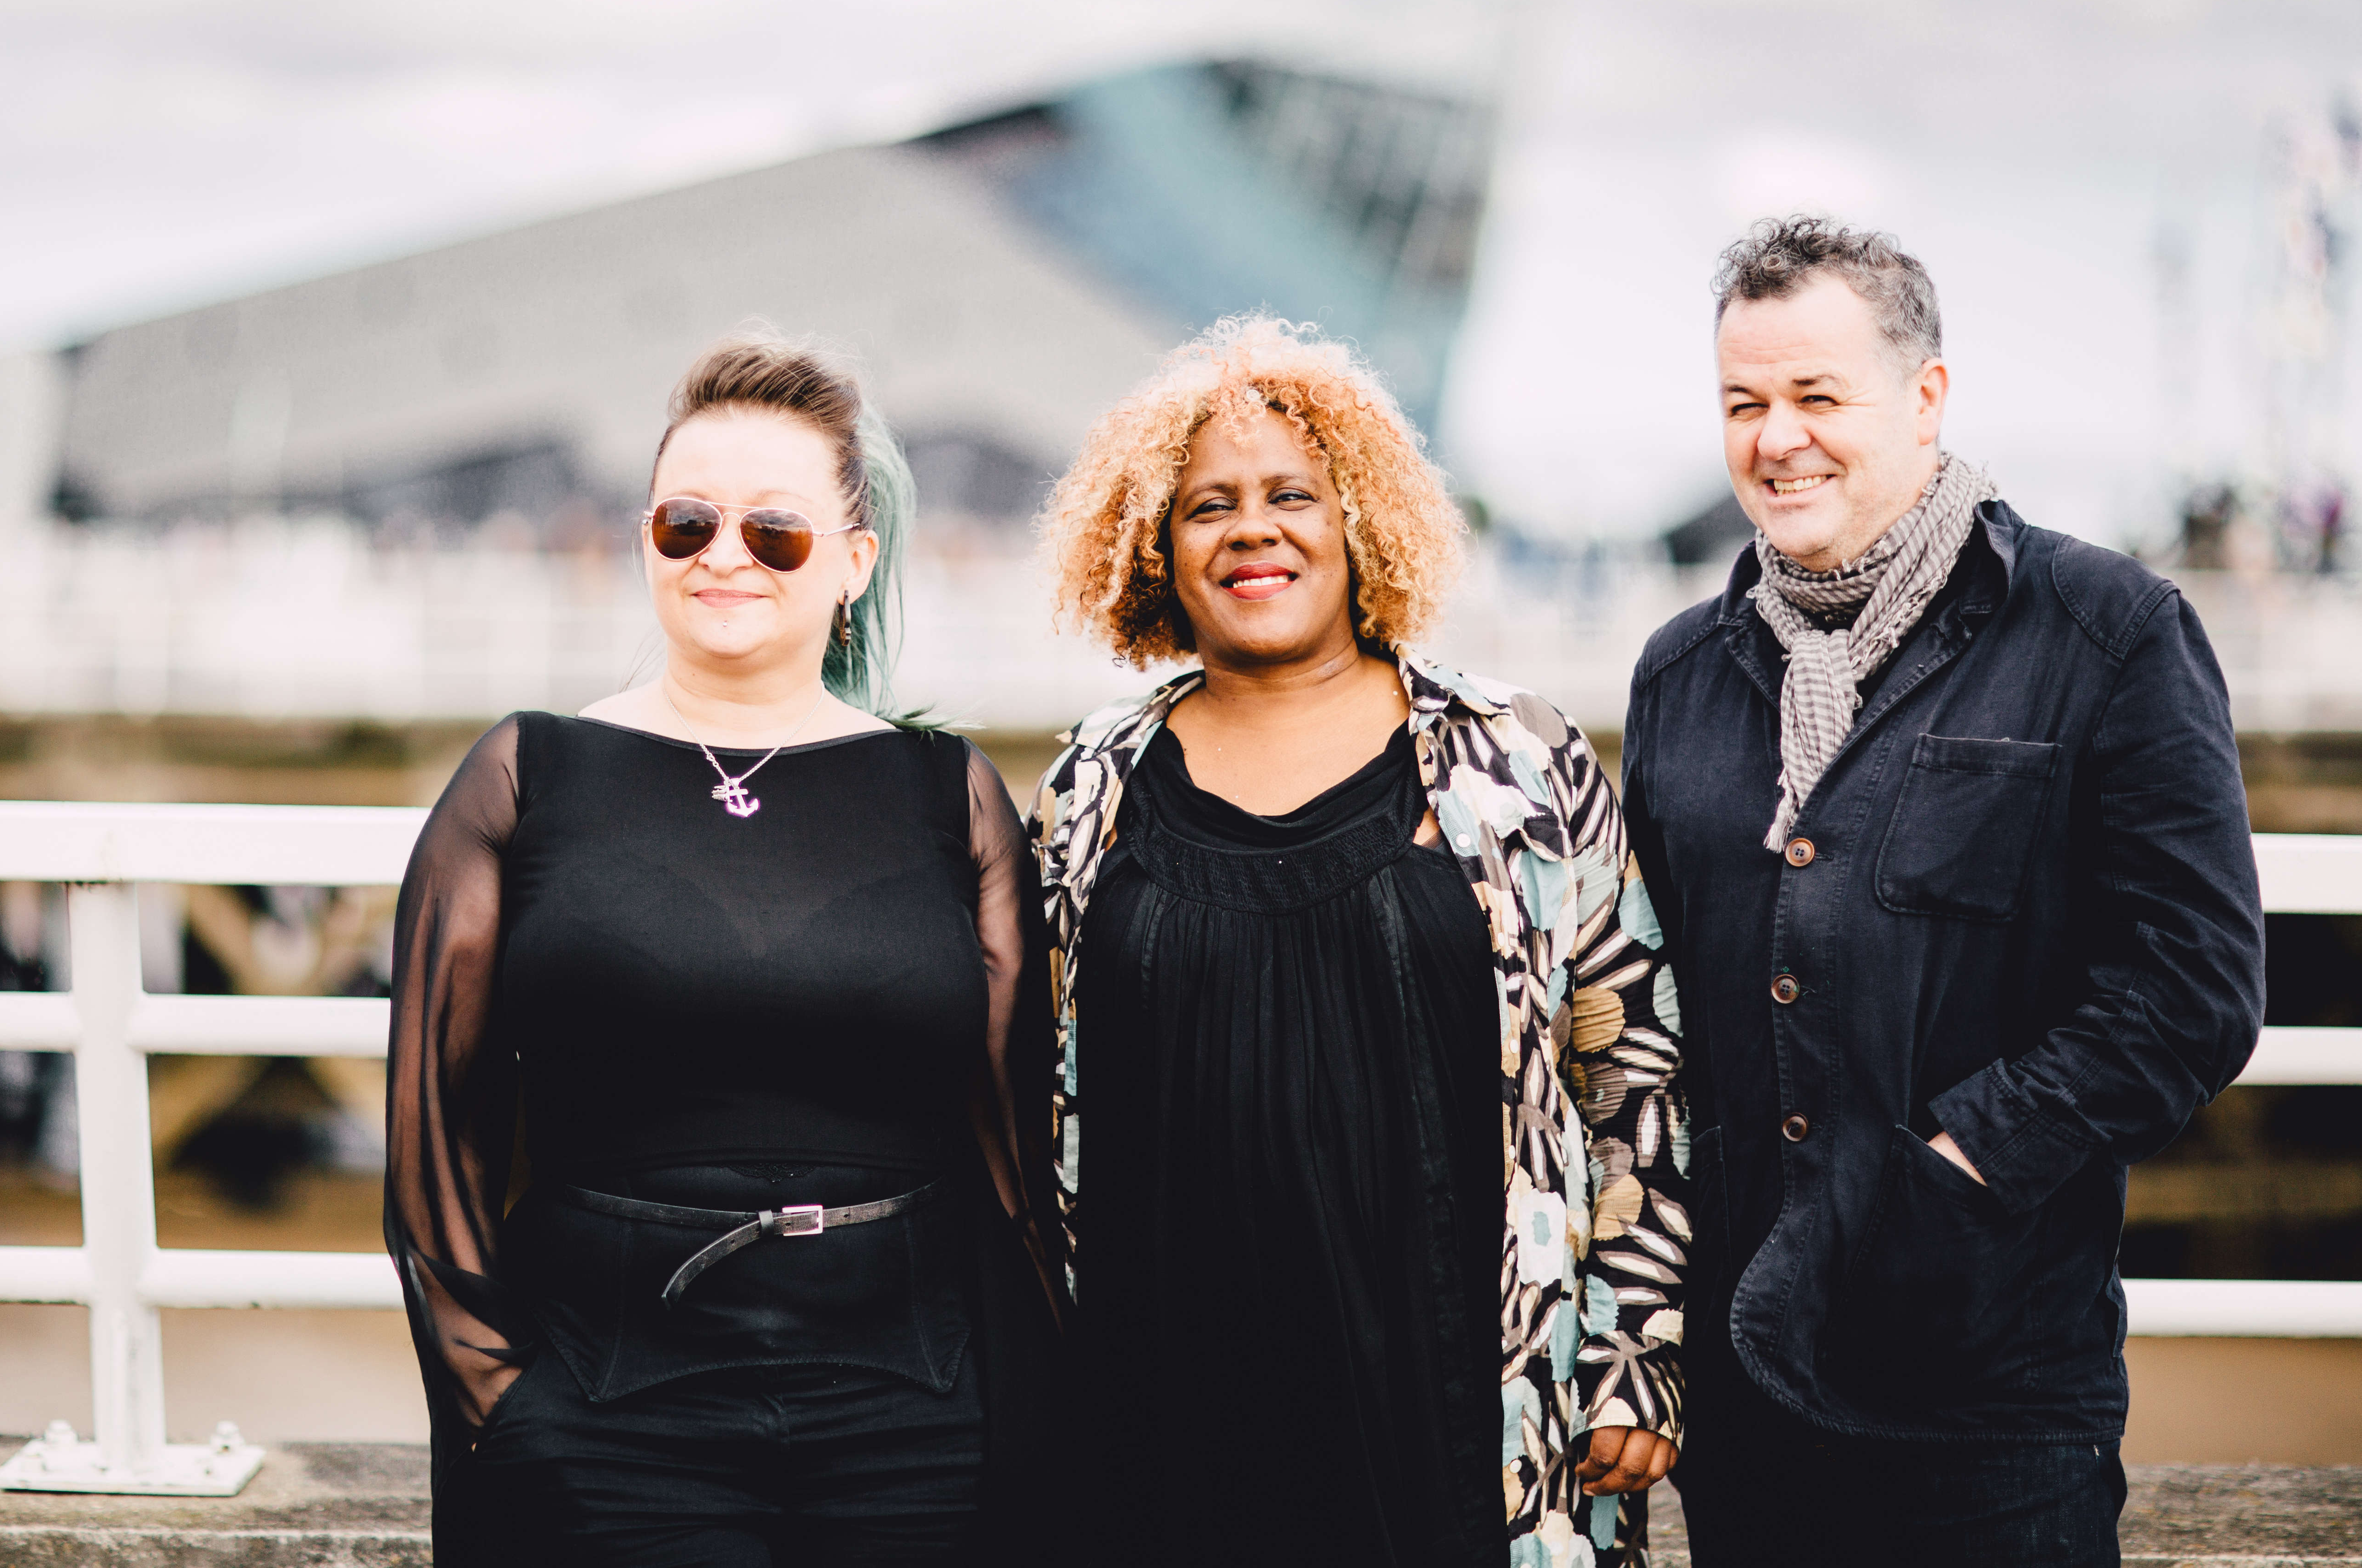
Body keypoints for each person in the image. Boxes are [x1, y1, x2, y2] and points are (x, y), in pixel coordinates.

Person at [1623, 218, 2266, 1568]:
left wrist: (1956, 1171)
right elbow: (1646, 1011)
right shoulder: (1680, 676)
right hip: (1745, 1394)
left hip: (1993, 1392)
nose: (1777, 439)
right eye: (1743, 403)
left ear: (1925, 397)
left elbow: (2193, 989)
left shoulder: (2107, 634)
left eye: (1817, 396)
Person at [384, 336, 1066, 1567]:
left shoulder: (949, 795)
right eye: (687, 523)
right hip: (604, 1410)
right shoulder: (525, 776)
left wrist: (1024, 1414)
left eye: (776, 531)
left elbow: (1013, 1153)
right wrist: (506, 1411)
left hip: (917, 1413)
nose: (724, 556)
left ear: (855, 562)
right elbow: (436, 1138)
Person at [1029, 315, 1688, 1568]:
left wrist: (1635, 1353)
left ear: (1361, 521)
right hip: (1163, 1424)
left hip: (1466, 1415)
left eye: (1293, 495)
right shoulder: (1089, 787)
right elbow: (1032, 1096)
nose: (1253, 530)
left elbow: (1635, 1077)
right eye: (1209, 506)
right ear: (1156, 547)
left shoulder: (1520, 763)